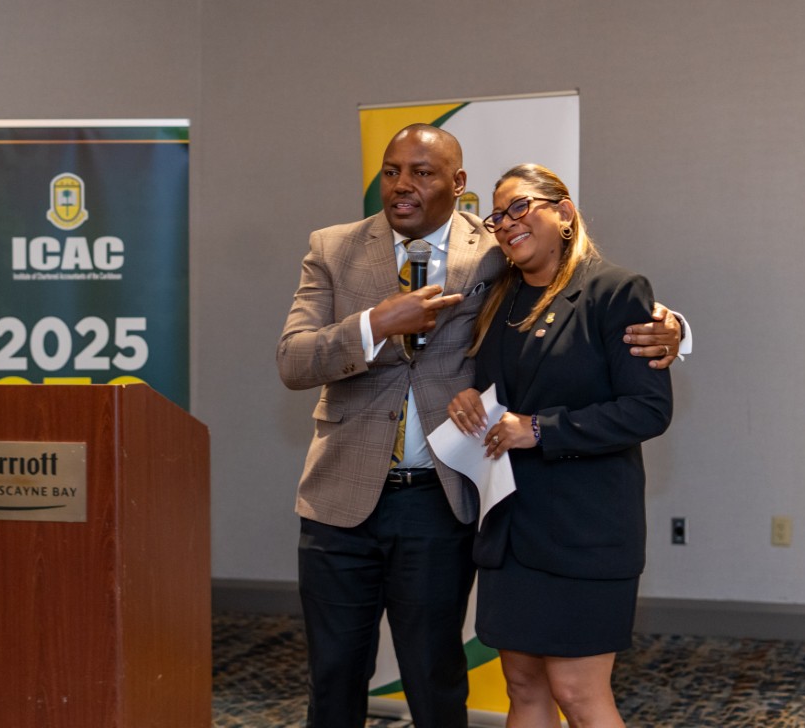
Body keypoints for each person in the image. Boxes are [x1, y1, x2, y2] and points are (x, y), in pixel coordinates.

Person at [277, 126, 683, 728]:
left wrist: (673, 328)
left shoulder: (494, 250)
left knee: (436, 676)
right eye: (392, 171)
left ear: (457, 183)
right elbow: (293, 360)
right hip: (340, 499)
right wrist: (375, 324)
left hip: (441, 502)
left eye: (423, 172)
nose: (403, 185)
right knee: (334, 676)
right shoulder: (333, 248)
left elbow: (581, 291)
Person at [447, 163, 674, 728]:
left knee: (577, 692)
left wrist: (541, 429)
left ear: (565, 213)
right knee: (522, 685)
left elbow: (648, 409)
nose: (506, 223)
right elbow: (498, 387)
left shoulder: (615, 291)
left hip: (585, 531)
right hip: (511, 529)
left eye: (520, 207)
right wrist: (470, 397)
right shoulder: (498, 299)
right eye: (498, 216)